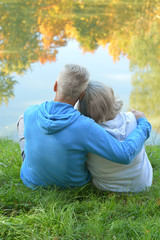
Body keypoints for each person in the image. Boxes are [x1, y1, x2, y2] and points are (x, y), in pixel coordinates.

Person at [17, 64, 151, 189]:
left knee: (22, 120)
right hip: (72, 185)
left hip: (31, 180)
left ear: (55, 85)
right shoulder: (85, 126)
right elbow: (125, 154)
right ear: (81, 95)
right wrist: (143, 124)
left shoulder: (31, 112)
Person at [78, 81, 153, 192]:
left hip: (107, 187)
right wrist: (142, 120)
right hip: (143, 184)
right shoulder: (133, 119)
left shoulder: (86, 134)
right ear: (112, 99)